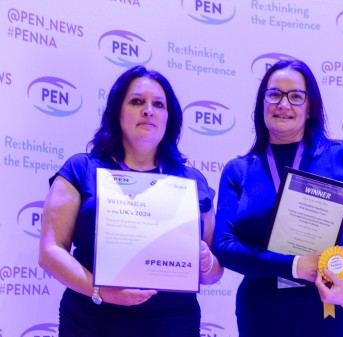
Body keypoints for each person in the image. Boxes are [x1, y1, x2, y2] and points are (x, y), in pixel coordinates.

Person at [38, 65, 223, 337]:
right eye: (137, 101)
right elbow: (50, 252)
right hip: (93, 322)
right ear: (118, 112)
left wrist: (207, 261)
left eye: (158, 104)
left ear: (169, 118)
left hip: (174, 326)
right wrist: (99, 291)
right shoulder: (81, 169)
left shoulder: (192, 182)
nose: (148, 110)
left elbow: (214, 273)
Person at [213, 59, 343, 337]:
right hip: (264, 314)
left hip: (331, 310)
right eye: (274, 94)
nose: (283, 104)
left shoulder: (340, 157)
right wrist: (294, 266)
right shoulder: (239, 170)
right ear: (262, 103)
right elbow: (224, 245)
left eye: (296, 96)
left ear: (310, 107)